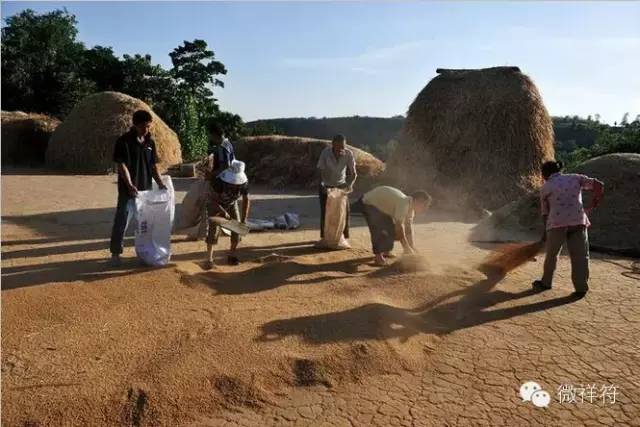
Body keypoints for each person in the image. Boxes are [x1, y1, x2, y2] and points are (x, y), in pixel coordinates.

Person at [532, 161, 604, 297]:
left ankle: (546, 283)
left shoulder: (545, 188)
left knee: (552, 255)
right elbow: (599, 185)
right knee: (581, 257)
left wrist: (545, 233)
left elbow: (545, 213)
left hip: (556, 224)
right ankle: (581, 288)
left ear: (545, 174)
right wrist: (596, 200)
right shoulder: (575, 178)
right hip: (578, 222)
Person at [109, 110, 167, 266]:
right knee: (122, 221)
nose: (146, 130)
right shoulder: (124, 141)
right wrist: (129, 185)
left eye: (149, 126)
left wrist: (160, 183)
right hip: (128, 191)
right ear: (135, 124)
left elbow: (153, 166)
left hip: (145, 191)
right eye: (144, 126)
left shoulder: (150, 142)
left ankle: (144, 252)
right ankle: (115, 253)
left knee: (145, 224)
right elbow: (121, 165)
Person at [358, 186, 432, 266]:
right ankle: (378, 257)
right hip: (369, 203)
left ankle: (386, 250)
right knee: (380, 228)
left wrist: (411, 246)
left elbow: (408, 228)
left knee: (391, 229)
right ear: (418, 201)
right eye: (425, 205)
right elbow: (399, 226)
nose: (426, 208)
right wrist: (406, 248)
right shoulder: (404, 203)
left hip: (381, 208)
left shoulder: (411, 209)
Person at [191, 120, 236, 241]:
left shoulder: (222, 147)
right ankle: (235, 236)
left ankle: (211, 238)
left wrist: (211, 174)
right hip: (230, 184)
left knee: (214, 210)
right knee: (230, 210)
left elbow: (225, 167)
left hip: (221, 184)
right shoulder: (228, 144)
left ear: (214, 134)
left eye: (210, 135)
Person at [204, 160, 251, 270]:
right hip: (215, 203)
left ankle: (232, 255)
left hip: (231, 203)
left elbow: (246, 199)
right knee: (213, 229)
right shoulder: (217, 181)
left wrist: (244, 220)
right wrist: (223, 213)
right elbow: (211, 199)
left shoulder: (244, 183)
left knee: (237, 228)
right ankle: (209, 259)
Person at [317, 134, 357, 244]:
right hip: (327, 185)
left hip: (341, 185)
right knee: (326, 212)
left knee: (344, 211)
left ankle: (342, 237)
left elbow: (353, 173)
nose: (341, 149)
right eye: (339, 147)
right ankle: (326, 237)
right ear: (333, 145)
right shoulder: (325, 153)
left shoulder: (348, 154)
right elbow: (320, 171)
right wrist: (322, 185)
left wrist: (350, 185)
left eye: (343, 146)